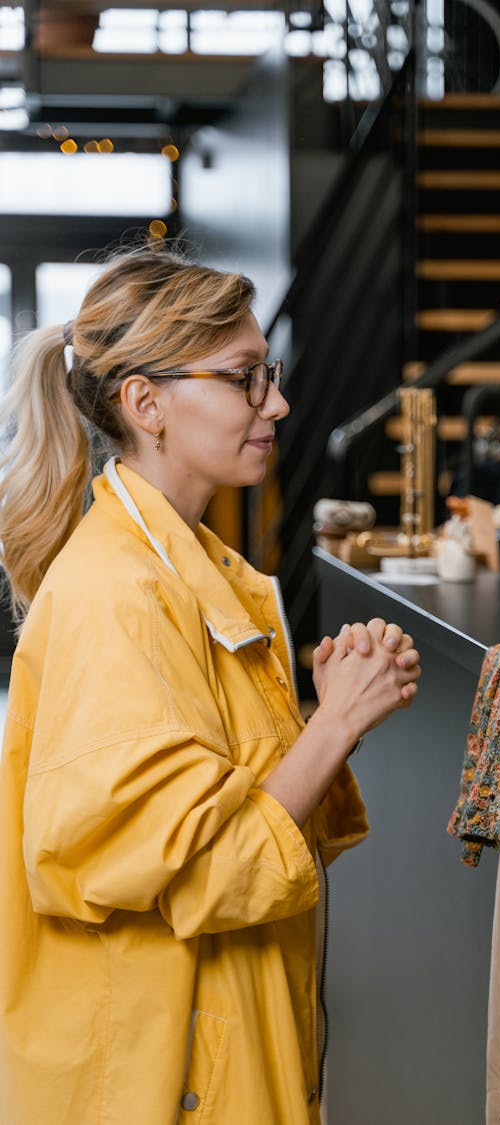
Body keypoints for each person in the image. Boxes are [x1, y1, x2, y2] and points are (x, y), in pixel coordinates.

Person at [0, 244, 421, 1124]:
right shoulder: (120, 595)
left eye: (267, 372)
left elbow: (225, 809)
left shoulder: (186, 567)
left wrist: (324, 699)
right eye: (244, 378)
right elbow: (207, 869)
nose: (278, 401)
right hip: (162, 1076)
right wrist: (334, 723)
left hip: (210, 1042)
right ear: (146, 403)